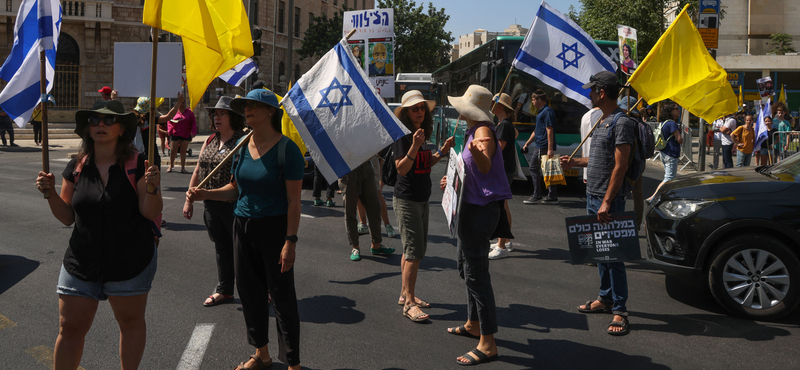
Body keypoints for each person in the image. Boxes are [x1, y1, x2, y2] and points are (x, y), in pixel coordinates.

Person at [35, 99, 162, 369]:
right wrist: (50, 194)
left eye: (108, 120)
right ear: (88, 129)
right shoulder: (76, 167)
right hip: (82, 260)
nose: (100, 125)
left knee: (130, 323)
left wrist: (152, 189)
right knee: (69, 328)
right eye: (94, 121)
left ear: (121, 129)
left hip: (130, 261)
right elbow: (67, 217)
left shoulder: (138, 163)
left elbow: (150, 212)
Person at [187, 89, 303, 370]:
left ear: (270, 112)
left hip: (274, 229)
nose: (247, 110)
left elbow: (294, 201)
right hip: (242, 225)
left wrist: (290, 241)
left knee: (281, 296)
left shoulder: (287, 150)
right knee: (250, 293)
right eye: (245, 106)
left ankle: (292, 362)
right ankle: (261, 354)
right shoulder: (242, 146)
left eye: (254, 106)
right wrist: (206, 194)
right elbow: (234, 191)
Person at [440, 85, 511, 365]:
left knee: (477, 275)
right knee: (466, 269)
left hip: (480, 213)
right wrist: (452, 179)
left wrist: (475, 151)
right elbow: (472, 171)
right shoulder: (472, 131)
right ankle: (473, 324)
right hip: (469, 210)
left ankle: (488, 343)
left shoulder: (481, 132)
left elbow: (483, 163)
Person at [560, 71, 635, 336]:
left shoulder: (621, 122)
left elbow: (621, 165)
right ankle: (604, 298)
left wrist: (606, 201)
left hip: (607, 200)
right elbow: (599, 160)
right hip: (594, 195)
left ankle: (620, 310)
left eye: (592, 90)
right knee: (600, 253)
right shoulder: (601, 120)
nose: (589, 94)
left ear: (602, 92)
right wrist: (575, 162)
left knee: (614, 256)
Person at [391, 90, 453, 322]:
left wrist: (441, 152)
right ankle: (409, 303)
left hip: (422, 199)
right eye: (414, 108)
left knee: (411, 251)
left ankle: (405, 293)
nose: (419, 112)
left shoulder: (422, 134)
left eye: (422, 109)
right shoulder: (404, 136)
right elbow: (402, 169)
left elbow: (425, 163)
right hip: (407, 199)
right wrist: (415, 145)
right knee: (414, 252)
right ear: (406, 112)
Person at [183, 96, 247, 307]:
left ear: (234, 117)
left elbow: (236, 187)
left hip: (233, 207)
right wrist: (189, 198)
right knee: (222, 248)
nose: (217, 118)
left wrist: (205, 195)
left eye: (222, 113)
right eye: (215, 114)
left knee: (242, 251)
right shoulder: (211, 140)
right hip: (210, 206)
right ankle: (225, 290)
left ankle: (257, 290)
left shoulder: (242, 142)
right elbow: (199, 169)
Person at [339, 156, 395, 261]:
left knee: (375, 207)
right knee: (350, 211)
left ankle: (376, 245)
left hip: (366, 166)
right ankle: (355, 247)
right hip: (347, 169)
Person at [489, 93, 518, 260]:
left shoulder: (503, 125)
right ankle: (506, 241)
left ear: (501, 106)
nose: (492, 105)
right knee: (504, 205)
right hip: (505, 170)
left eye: (494, 102)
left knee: (500, 206)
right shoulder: (504, 124)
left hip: (502, 171)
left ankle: (501, 246)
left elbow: (497, 149)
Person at [522, 89, 557, 204]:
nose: (532, 102)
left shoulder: (547, 112)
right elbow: (536, 131)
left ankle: (539, 195)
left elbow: (549, 129)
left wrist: (550, 149)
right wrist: (527, 143)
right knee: (545, 169)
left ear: (539, 100)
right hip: (540, 145)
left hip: (544, 146)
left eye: (533, 100)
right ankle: (550, 196)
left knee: (538, 168)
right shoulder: (541, 112)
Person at [648, 103, 683, 201]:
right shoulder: (672, 124)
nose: (678, 110)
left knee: (670, 177)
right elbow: (679, 140)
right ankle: (654, 197)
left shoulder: (664, 123)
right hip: (671, 153)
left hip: (664, 153)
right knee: (669, 178)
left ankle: (668, 196)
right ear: (671, 111)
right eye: (676, 109)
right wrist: (681, 135)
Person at [167, 97, 197, 173]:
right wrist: (169, 130)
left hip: (185, 134)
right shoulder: (174, 112)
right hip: (175, 133)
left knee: (183, 151)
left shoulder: (189, 112)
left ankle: (183, 168)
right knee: (173, 150)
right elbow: (169, 121)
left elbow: (193, 123)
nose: (182, 104)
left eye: (183, 102)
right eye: (180, 102)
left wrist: (193, 132)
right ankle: (171, 165)